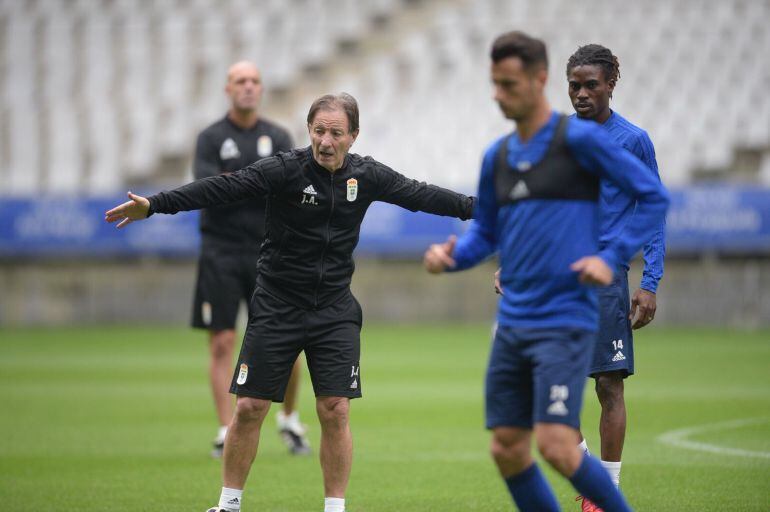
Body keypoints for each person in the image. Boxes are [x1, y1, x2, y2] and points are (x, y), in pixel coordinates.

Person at [105, 92, 474, 512]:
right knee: (249, 407)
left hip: (334, 309)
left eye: (336, 133)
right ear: (308, 131)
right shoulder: (284, 169)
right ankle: (228, 505)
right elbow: (222, 188)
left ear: (353, 135)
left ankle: (334, 508)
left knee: (335, 409)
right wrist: (155, 205)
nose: (326, 141)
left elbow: (421, 194)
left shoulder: (366, 176)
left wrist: (485, 210)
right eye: (319, 131)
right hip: (277, 305)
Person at [423, 31, 668, 511]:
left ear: (536, 81)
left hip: (567, 308)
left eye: (508, 84)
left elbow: (653, 199)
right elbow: (488, 233)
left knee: (560, 438)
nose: (497, 95)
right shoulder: (498, 155)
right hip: (515, 315)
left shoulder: (581, 142)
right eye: (494, 84)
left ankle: (607, 499)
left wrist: (613, 256)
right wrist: (454, 257)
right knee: (508, 449)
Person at [192, 60, 310, 458]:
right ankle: (227, 429)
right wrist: (257, 185)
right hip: (220, 251)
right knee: (223, 341)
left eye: (255, 81)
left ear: (262, 89)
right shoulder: (210, 138)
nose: (248, 87)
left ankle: (290, 419)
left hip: (269, 251)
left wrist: (237, 184)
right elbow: (209, 189)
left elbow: (287, 187)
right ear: (228, 88)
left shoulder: (277, 136)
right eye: (240, 81)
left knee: (289, 341)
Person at [565, 44, 666, 512]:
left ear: (610, 84)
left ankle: (603, 496)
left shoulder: (633, 140)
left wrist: (650, 281)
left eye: (590, 85)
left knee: (608, 386)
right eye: (574, 86)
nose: (581, 94)